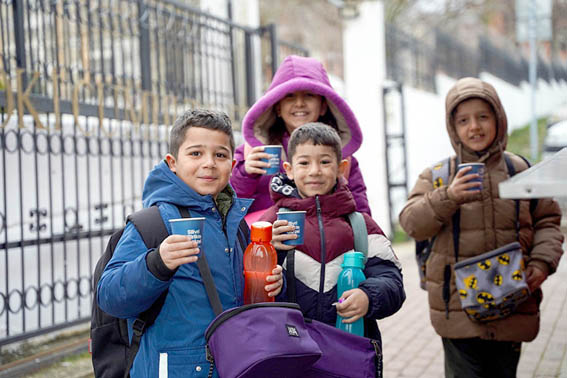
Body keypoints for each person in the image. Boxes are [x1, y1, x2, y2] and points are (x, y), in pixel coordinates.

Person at [97, 109, 284, 377]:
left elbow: (242, 297)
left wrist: (276, 282)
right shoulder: (153, 223)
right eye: (195, 153)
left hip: (235, 365)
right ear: (172, 162)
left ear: (232, 164)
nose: (209, 163)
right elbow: (110, 297)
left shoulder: (237, 222)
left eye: (220, 155)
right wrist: (156, 264)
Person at [398, 77, 564, 378]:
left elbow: (549, 221)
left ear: (499, 119)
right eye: (463, 120)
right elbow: (411, 224)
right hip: (457, 309)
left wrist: (541, 262)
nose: (474, 127)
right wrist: (448, 196)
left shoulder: (520, 171)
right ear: (453, 128)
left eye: (483, 117)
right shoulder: (437, 176)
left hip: (513, 302)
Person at [260, 122, 405, 341]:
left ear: (341, 168)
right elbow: (251, 285)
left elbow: (392, 281)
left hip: (348, 348)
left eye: (325, 162)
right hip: (289, 348)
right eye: (304, 163)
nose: (315, 171)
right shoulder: (271, 223)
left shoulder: (362, 226)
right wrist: (269, 250)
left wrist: (368, 297)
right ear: (289, 170)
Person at [230, 55, 371, 218]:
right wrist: (246, 174)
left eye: (309, 95)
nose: (299, 103)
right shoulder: (252, 152)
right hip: (268, 239)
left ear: (324, 106)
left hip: (325, 240)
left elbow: (360, 211)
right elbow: (227, 205)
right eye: (290, 96)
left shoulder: (342, 158)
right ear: (277, 107)